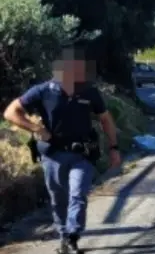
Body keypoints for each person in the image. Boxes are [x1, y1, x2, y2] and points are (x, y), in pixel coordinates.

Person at [3, 43, 121, 254]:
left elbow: (106, 120)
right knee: (58, 198)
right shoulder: (42, 91)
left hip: (82, 154)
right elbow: (11, 112)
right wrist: (36, 128)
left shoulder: (89, 92)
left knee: (78, 194)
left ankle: (73, 236)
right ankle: (64, 236)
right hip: (53, 154)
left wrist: (114, 148)